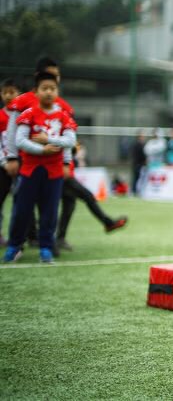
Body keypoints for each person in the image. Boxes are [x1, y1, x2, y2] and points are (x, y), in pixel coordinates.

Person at [3, 72, 76, 263]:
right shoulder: (28, 114)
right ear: (36, 91)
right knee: (22, 210)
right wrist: (42, 150)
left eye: (53, 89)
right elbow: (20, 140)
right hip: (30, 170)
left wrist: (51, 142)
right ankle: (14, 246)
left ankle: (46, 248)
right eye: (45, 88)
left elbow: (70, 140)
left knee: (50, 212)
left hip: (54, 173)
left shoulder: (63, 116)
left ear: (57, 91)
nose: (49, 92)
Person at [55, 142, 128, 255]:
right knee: (87, 196)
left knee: (69, 205)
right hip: (60, 173)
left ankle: (59, 238)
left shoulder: (67, 128)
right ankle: (108, 223)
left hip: (66, 172)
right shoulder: (58, 127)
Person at [0, 79, 21, 246]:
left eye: (12, 92)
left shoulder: (24, 116)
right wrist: (4, 162)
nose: (8, 95)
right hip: (3, 166)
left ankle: (21, 236)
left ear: (19, 94)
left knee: (22, 201)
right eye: (5, 92)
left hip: (22, 165)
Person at [130, 131, 147, 196]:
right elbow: (140, 155)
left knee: (138, 178)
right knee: (136, 178)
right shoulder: (137, 145)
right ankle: (134, 191)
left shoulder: (141, 144)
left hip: (139, 164)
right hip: (137, 164)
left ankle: (137, 190)